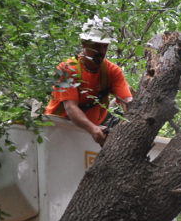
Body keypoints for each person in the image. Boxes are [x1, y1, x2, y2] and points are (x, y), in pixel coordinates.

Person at [44, 16, 133, 146]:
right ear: (84, 43)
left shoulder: (112, 71)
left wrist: (133, 119)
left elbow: (127, 101)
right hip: (57, 128)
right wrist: (93, 129)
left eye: (105, 46)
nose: (101, 51)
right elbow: (70, 107)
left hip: (89, 131)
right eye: (97, 46)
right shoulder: (67, 68)